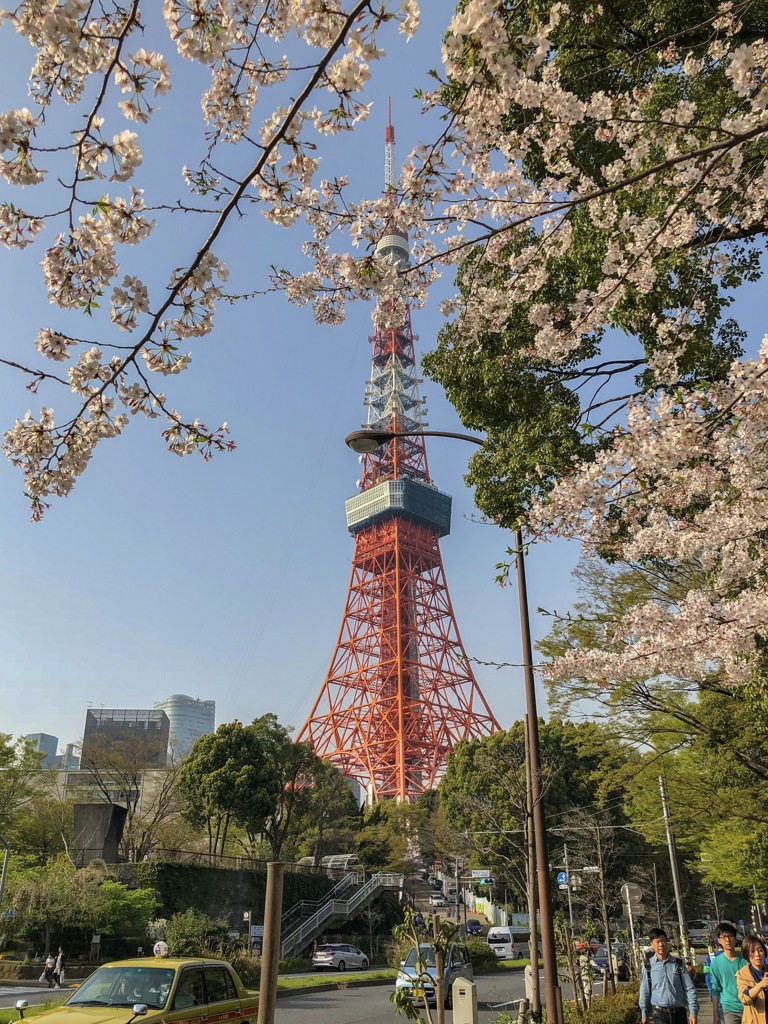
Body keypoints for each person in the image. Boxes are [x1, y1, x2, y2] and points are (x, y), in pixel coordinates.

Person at [639, 928, 698, 1024]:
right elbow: (645, 990)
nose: (661, 945)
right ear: (651, 944)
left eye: (663, 941)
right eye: (657, 942)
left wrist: (693, 1012)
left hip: (679, 1013)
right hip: (659, 1014)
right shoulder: (647, 966)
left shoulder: (678, 964)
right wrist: (644, 1013)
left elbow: (690, 988)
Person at [710, 923, 747, 1024]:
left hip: (748, 1006)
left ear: (735, 938)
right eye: (724, 937)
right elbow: (715, 989)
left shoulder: (745, 960)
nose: (727, 940)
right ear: (719, 940)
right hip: (729, 1009)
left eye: (730, 936)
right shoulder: (715, 963)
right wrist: (715, 1014)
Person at [736, 935, 768, 1024]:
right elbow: (744, 998)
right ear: (747, 954)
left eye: (760, 950)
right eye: (752, 951)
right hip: (755, 1020)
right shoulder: (742, 974)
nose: (757, 954)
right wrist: (761, 985)